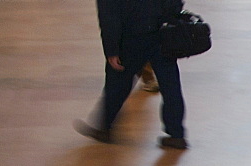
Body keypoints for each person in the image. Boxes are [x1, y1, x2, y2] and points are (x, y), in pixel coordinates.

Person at [74, 0, 189, 149]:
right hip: (162, 35)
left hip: (131, 38)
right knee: (170, 85)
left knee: (117, 83)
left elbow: (109, 16)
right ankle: (176, 135)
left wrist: (112, 50)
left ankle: (104, 127)